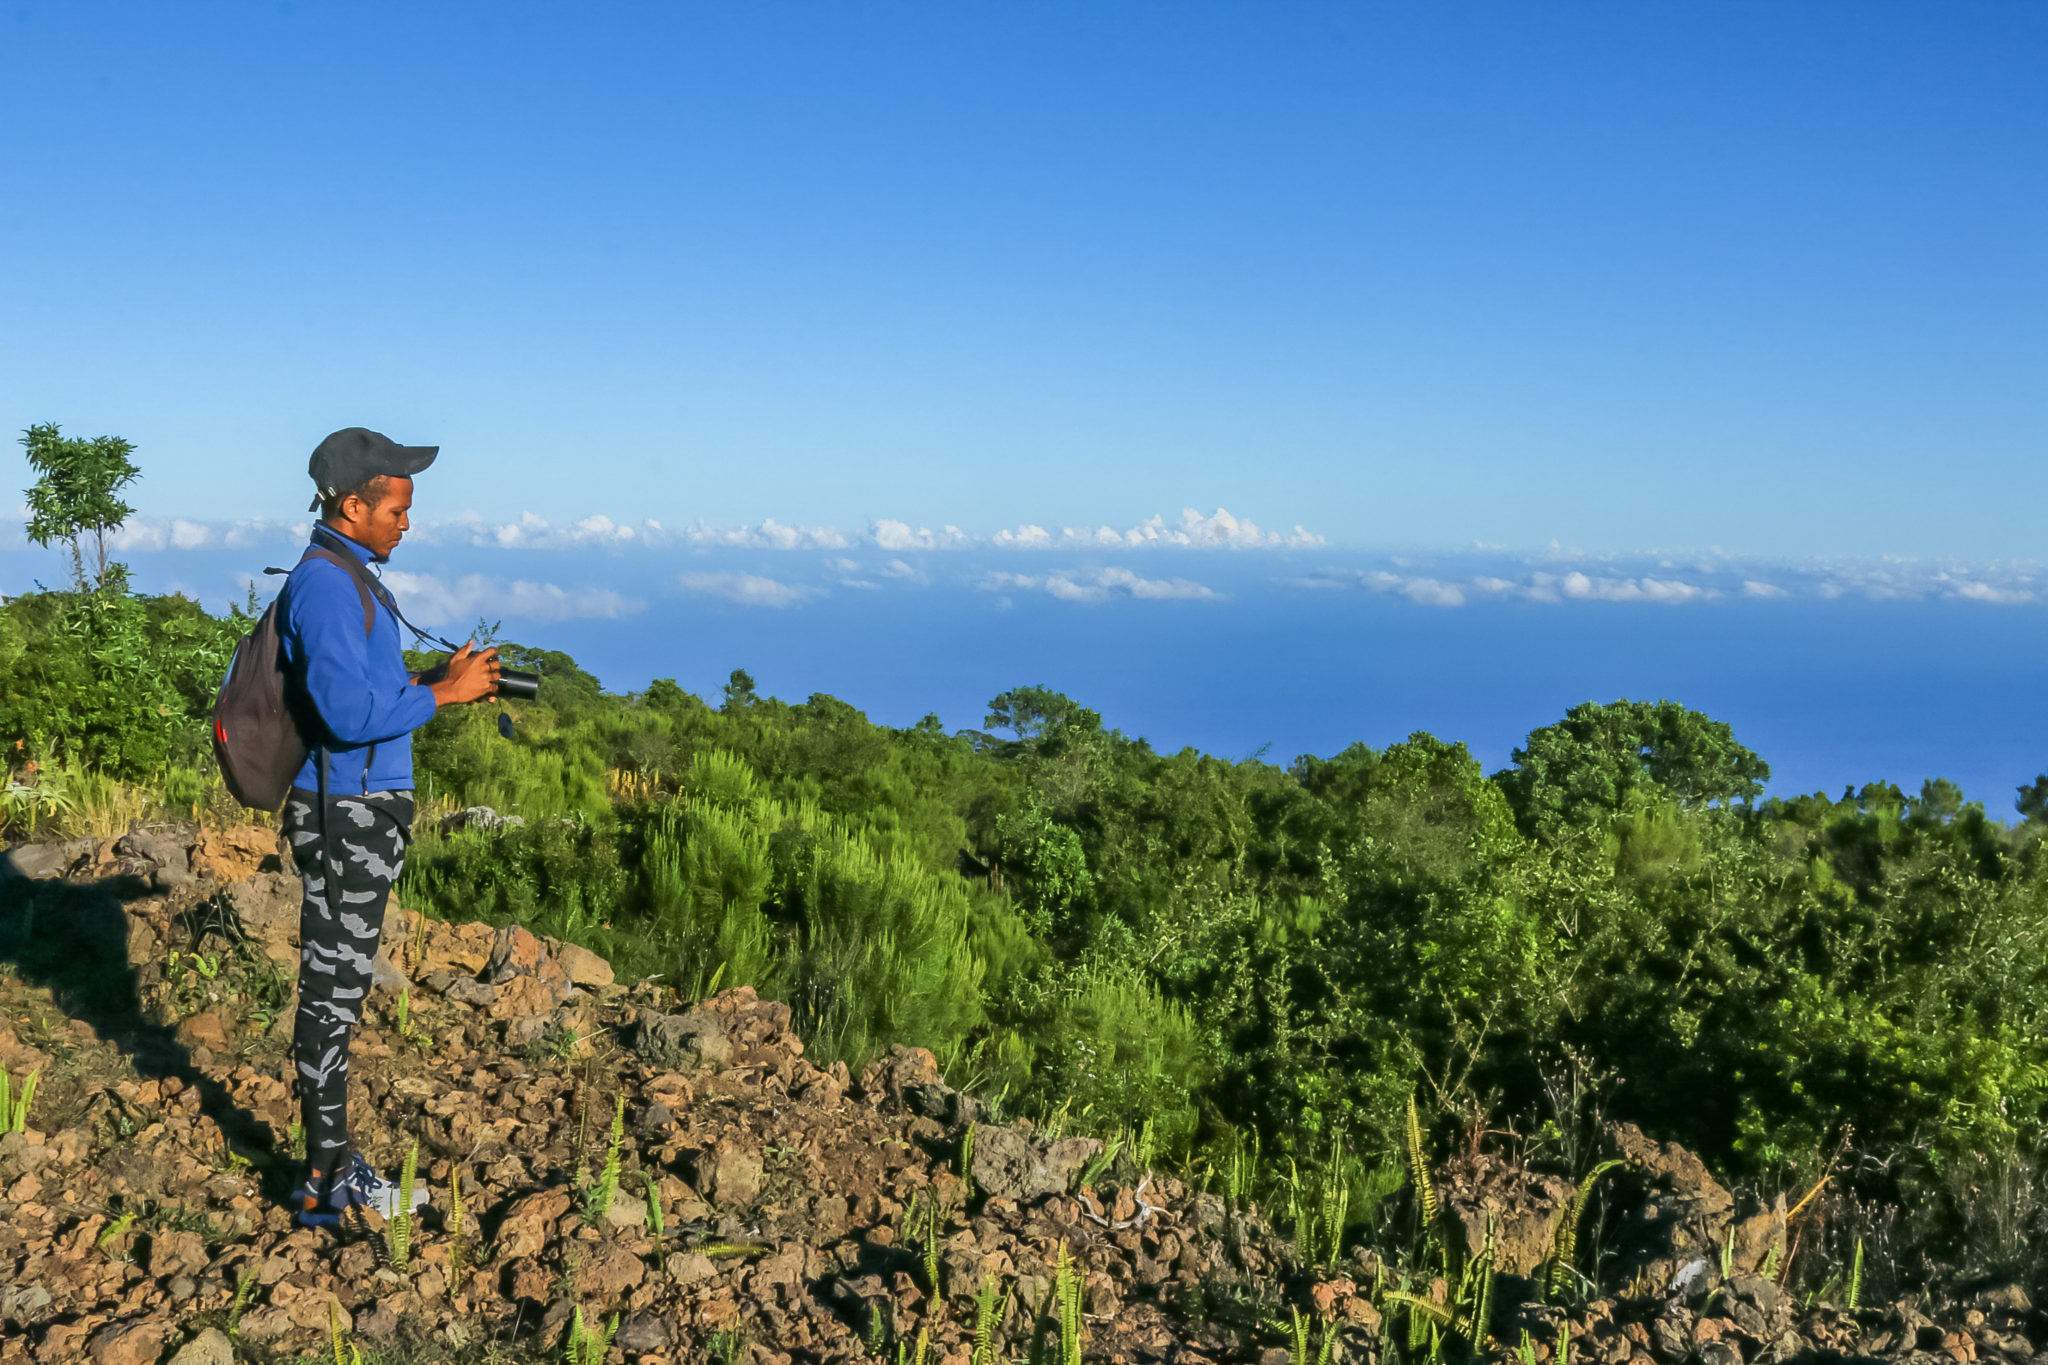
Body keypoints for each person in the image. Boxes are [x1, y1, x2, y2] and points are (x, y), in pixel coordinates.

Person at [280, 427, 501, 1229]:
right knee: (333, 995)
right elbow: (345, 714)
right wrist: (443, 696)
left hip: (359, 807)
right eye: (396, 510)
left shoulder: (349, 576)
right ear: (352, 506)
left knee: (339, 991)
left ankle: (332, 1166)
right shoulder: (327, 585)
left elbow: (361, 688)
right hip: (346, 812)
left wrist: (434, 679)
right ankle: (325, 1183)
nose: (407, 523)